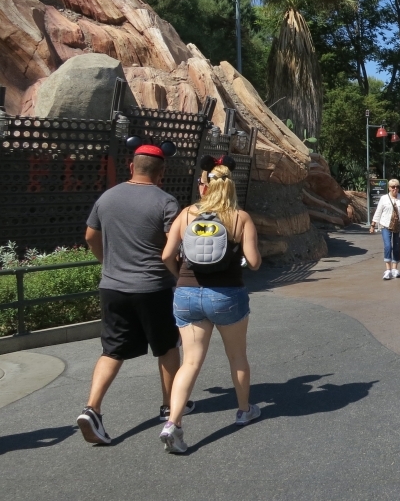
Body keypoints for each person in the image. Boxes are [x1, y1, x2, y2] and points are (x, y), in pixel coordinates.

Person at [77, 144, 185, 445]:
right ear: (161, 173)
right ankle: (169, 405)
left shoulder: (107, 197)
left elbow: (90, 236)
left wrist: (107, 262)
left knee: (112, 350)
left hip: (112, 286)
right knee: (166, 346)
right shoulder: (166, 202)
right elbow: (172, 247)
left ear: (131, 167)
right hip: (153, 287)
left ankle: (92, 408)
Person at [158, 162, 262, 454]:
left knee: (190, 361)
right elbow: (254, 263)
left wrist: (180, 275)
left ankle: (173, 423)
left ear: (206, 186)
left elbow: (166, 254)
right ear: (230, 187)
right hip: (227, 295)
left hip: (187, 293)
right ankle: (244, 411)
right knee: (237, 356)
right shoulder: (240, 218)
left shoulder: (187, 213)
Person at [371, 178, 400, 279]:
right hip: (386, 225)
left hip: (399, 225)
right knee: (388, 246)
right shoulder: (384, 198)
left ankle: (395, 268)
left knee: (397, 247)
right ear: (389, 188)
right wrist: (373, 225)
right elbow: (378, 212)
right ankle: (388, 269)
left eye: (397, 187)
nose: (395, 189)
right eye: (393, 187)